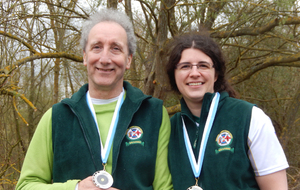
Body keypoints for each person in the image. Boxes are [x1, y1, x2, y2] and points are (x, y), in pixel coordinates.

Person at [16, 8, 173, 190]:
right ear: (85, 56)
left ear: (128, 60)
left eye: (116, 48)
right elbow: (25, 186)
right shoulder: (55, 118)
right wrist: (76, 188)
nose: (105, 58)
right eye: (96, 47)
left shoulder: (154, 114)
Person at [166, 32, 289, 190]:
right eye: (185, 66)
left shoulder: (249, 117)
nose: (194, 73)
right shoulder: (169, 129)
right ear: (174, 75)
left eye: (203, 65)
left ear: (216, 74)